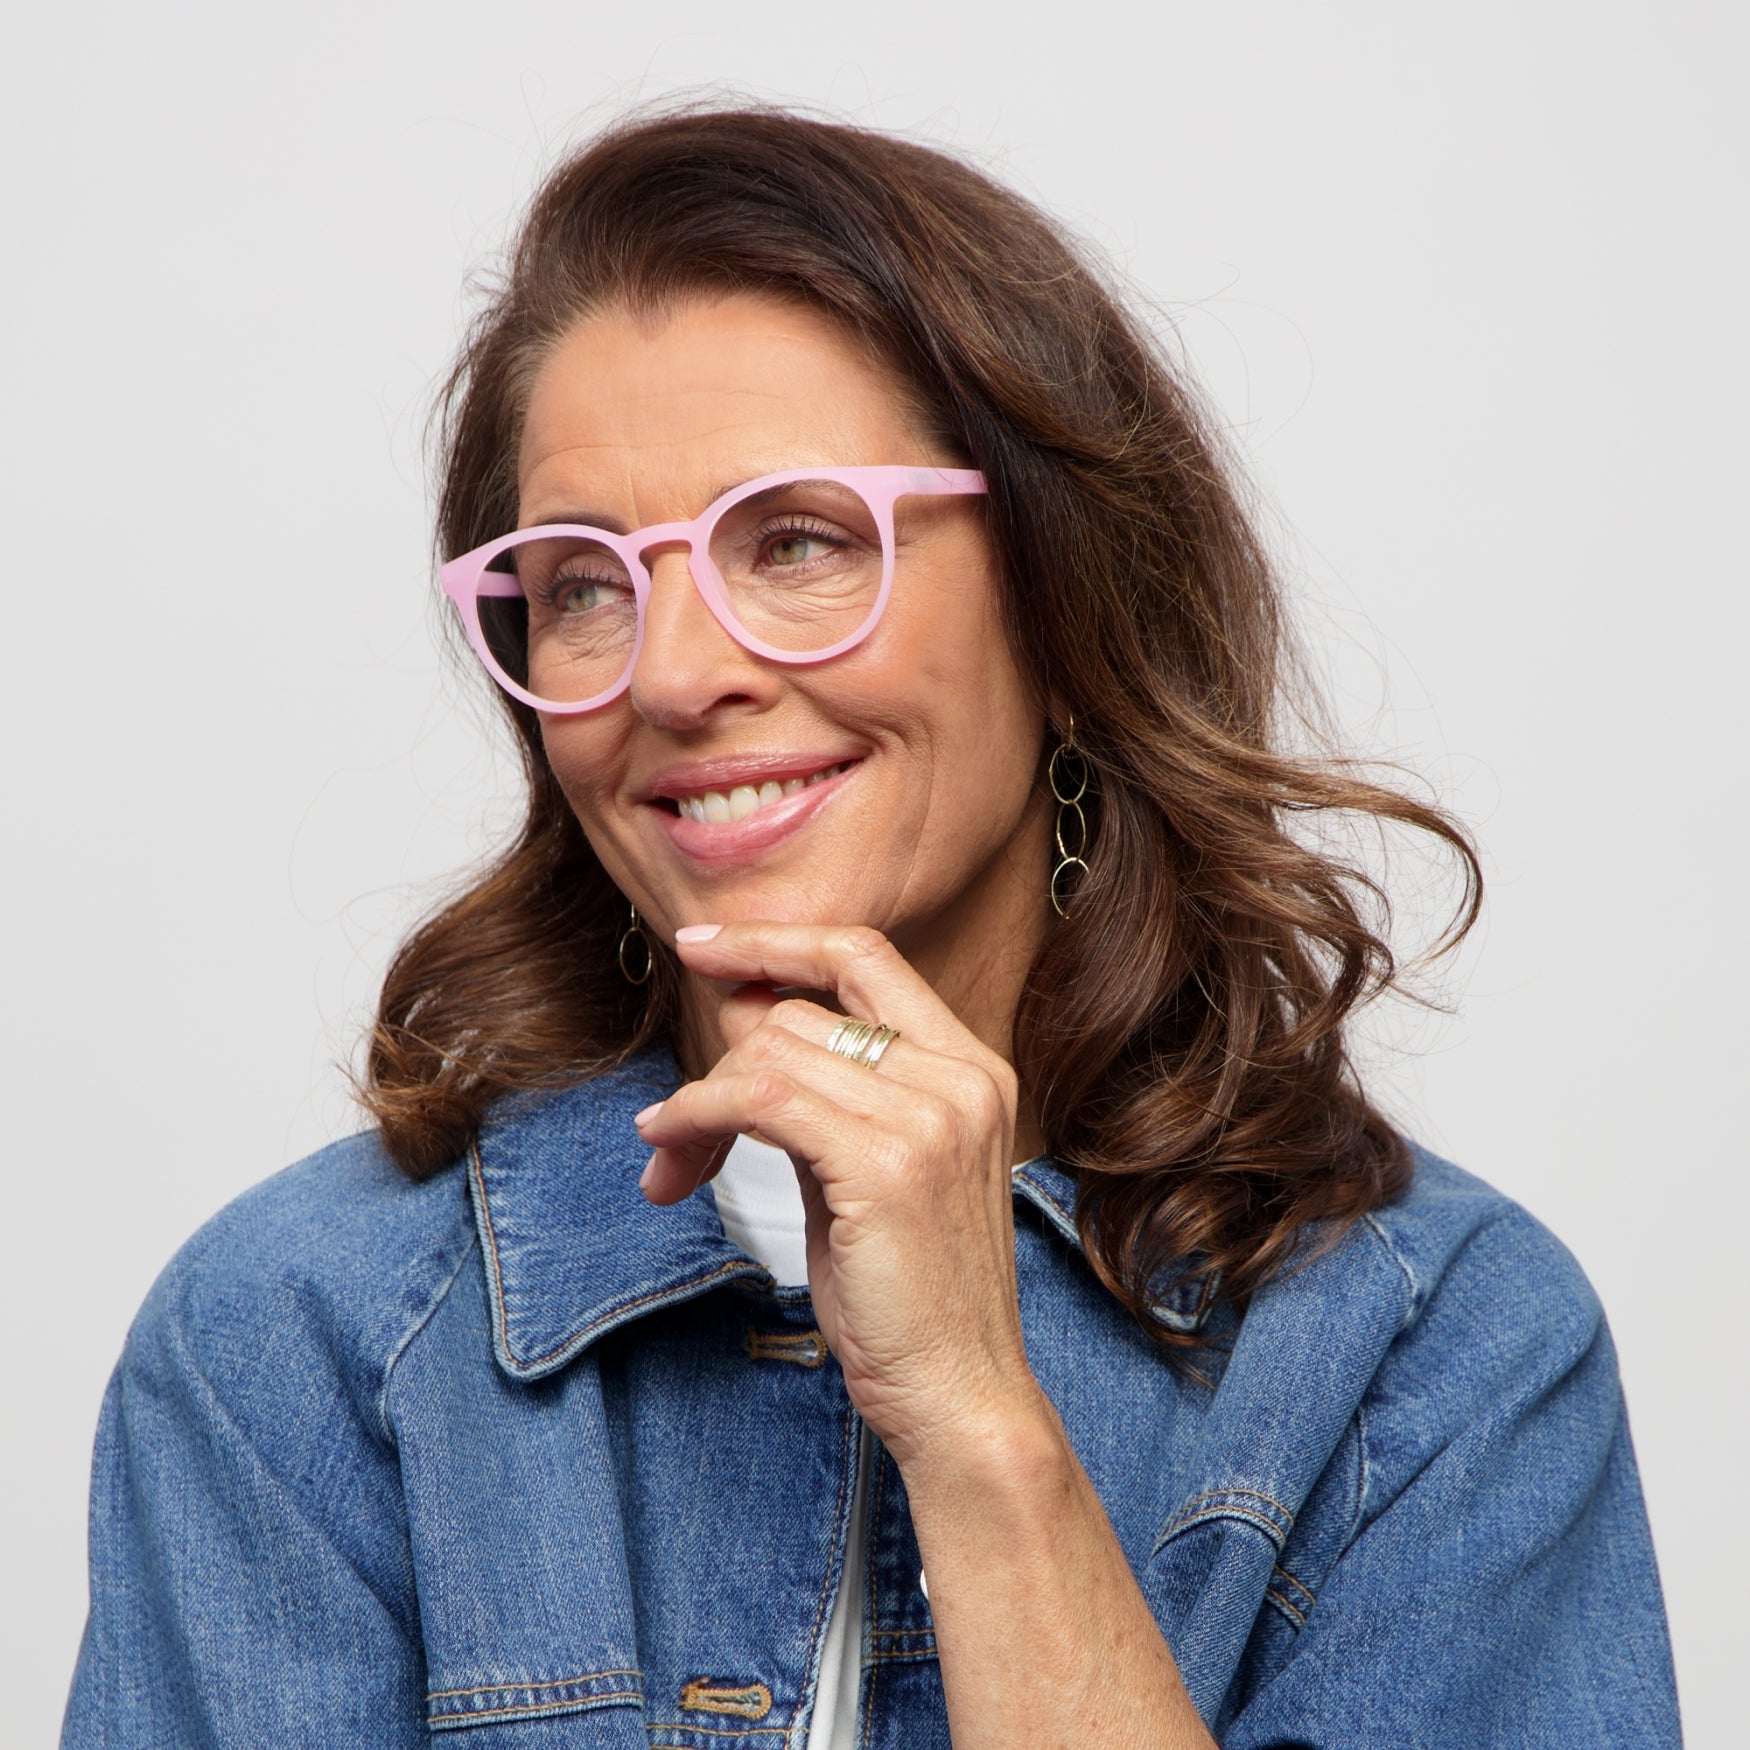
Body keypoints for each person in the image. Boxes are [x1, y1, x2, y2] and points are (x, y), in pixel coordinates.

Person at [60, 104, 1681, 1748]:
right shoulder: (299, 1337)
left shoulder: (1429, 1350)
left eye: (797, 541)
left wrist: (979, 1424)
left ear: (1067, 601)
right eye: (583, 585)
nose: (675, 674)